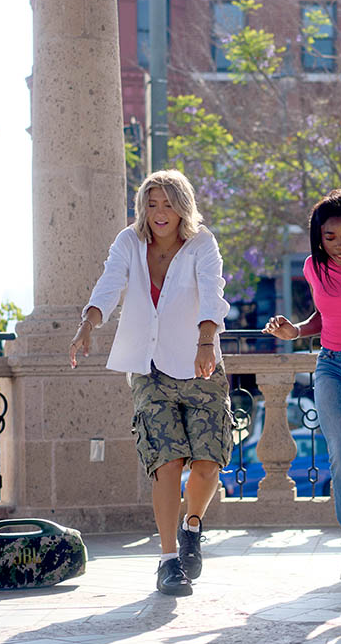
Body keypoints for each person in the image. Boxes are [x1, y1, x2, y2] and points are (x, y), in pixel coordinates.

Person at [69, 170, 233, 598]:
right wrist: (88, 324)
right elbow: (109, 284)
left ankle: (191, 526)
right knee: (166, 461)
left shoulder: (202, 243)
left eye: (168, 204)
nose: (160, 213)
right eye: (152, 203)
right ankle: (168, 560)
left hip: (200, 363)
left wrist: (205, 342)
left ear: (183, 207)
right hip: (149, 367)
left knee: (208, 463)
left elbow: (213, 293)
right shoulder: (129, 242)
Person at [264, 190, 341, 580]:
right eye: (330, 236)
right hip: (331, 366)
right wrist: (295, 331)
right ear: (318, 237)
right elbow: (324, 316)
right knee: (340, 459)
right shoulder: (312, 268)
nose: (339, 244)